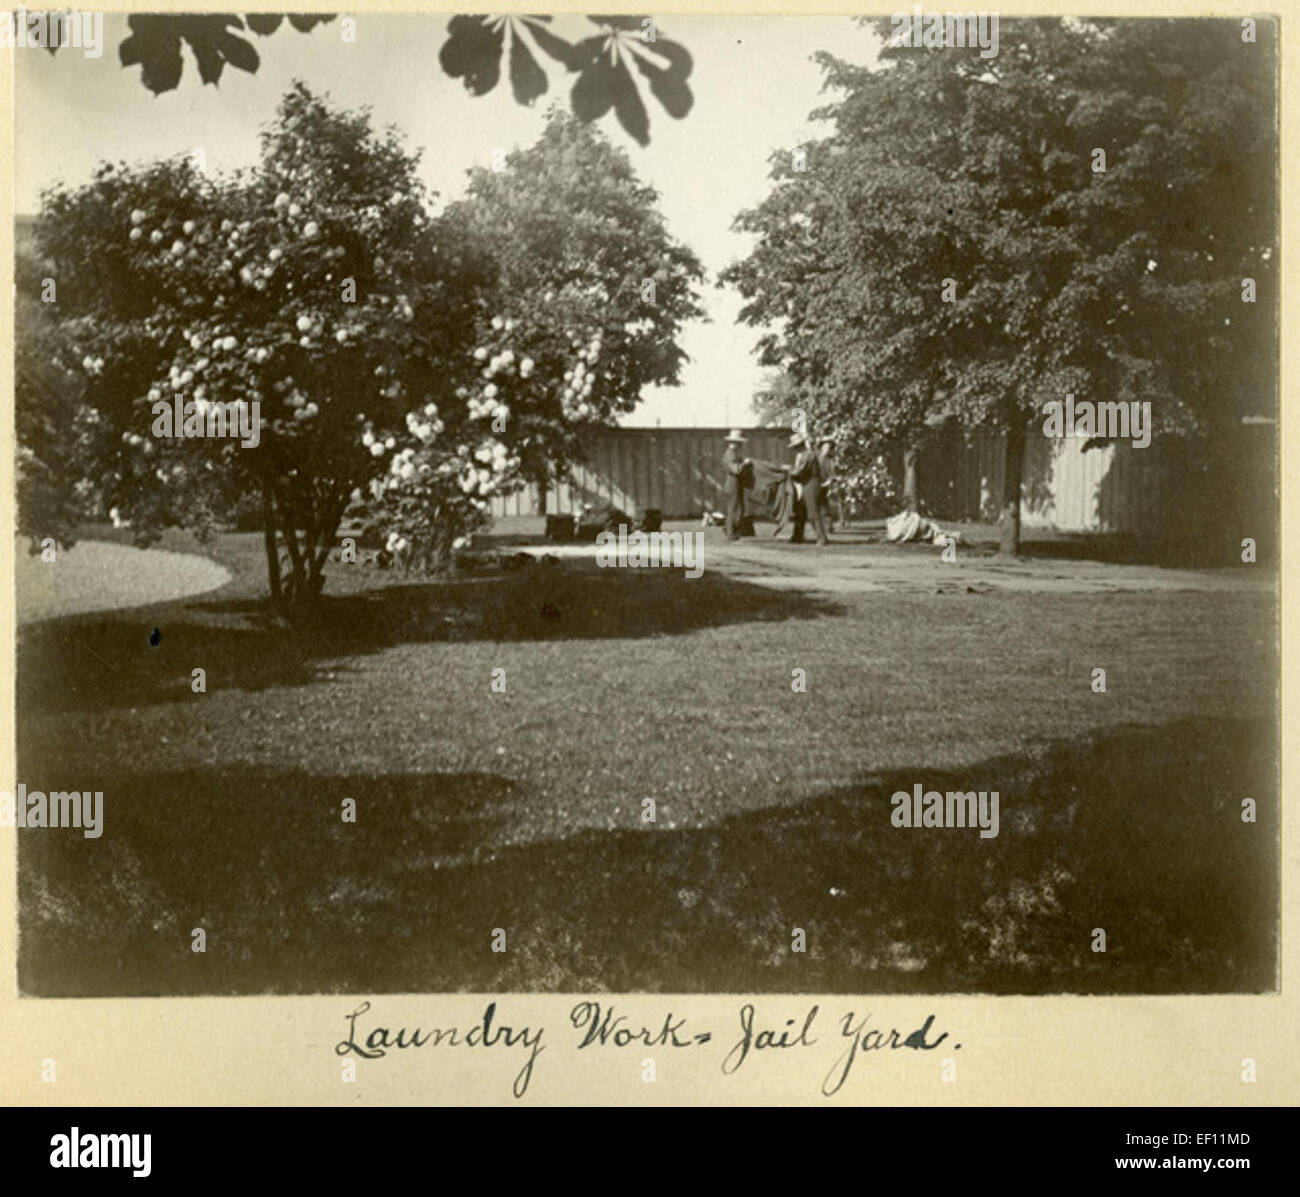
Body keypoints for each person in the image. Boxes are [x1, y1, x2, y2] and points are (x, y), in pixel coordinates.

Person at [789, 431, 828, 545]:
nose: (795, 449)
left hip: (811, 484)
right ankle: (797, 536)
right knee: (801, 511)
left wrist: (789, 472)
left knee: (813, 513)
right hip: (806, 483)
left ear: (799, 445)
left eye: (795, 446)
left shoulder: (808, 455)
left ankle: (821, 538)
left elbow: (800, 471)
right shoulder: (804, 455)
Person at [721, 429, 751, 540]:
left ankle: (732, 530)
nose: (740, 445)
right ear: (733, 443)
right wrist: (745, 463)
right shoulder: (730, 455)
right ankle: (730, 532)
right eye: (738, 443)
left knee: (736, 508)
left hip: (734, 484)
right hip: (732, 484)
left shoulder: (733, 454)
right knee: (733, 509)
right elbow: (736, 470)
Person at [816, 435, 838, 532]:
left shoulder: (830, 461)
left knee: (824, 506)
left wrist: (826, 484)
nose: (827, 449)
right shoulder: (816, 458)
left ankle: (828, 526)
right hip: (815, 484)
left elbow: (832, 476)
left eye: (829, 448)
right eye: (825, 447)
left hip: (824, 485)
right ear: (821, 447)